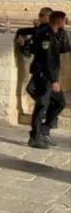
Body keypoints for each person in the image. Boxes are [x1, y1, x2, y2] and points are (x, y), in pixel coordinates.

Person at [27, 10, 70, 149]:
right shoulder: (46, 36)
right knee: (42, 106)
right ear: (58, 21)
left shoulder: (56, 34)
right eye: (64, 20)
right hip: (44, 76)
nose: (66, 22)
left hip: (50, 76)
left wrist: (64, 32)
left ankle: (44, 130)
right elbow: (47, 60)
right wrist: (53, 80)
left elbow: (64, 49)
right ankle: (35, 137)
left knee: (60, 102)